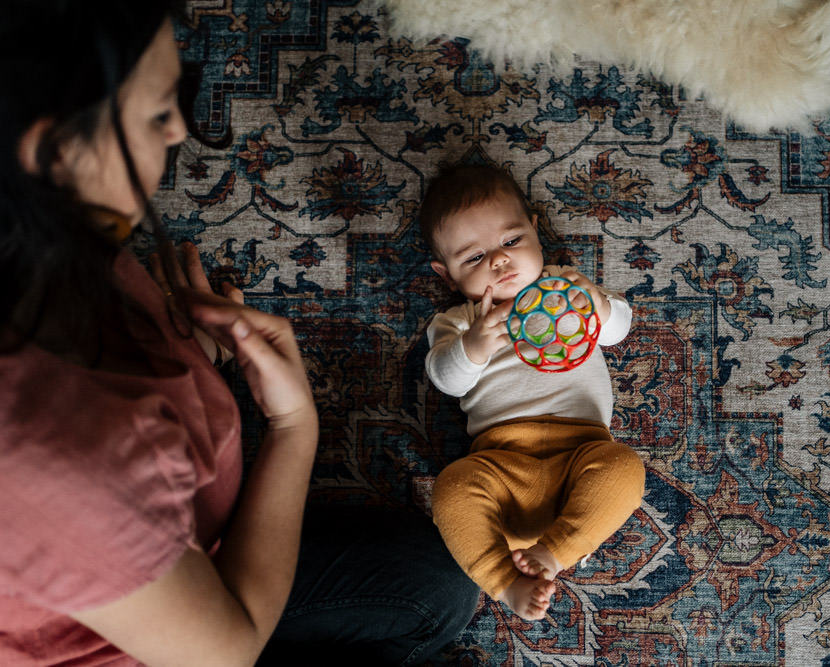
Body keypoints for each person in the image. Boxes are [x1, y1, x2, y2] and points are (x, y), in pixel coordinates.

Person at [0, 2, 477, 665]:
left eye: (183, 94)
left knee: (436, 586)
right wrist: (292, 424)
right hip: (177, 633)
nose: (178, 132)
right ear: (52, 153)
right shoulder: (60, 459)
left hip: (164, 545)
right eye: (158, 111)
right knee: (433, 604)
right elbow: (227, 647)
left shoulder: (40, 227)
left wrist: (184, 351)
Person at [420, 164, 646, 621]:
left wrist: (600, 304)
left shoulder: (566, 288)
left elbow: (618, 327)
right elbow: (445, 377)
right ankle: (505, 583)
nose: (499, 262)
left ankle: (556, 552)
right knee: (451, 488)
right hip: (500, 465)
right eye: (473, 258)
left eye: (510, 241)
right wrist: (475, 346)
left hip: (581, 455)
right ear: (447, 276)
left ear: (535, 231)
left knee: (625, 468)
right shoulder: (461, 321)